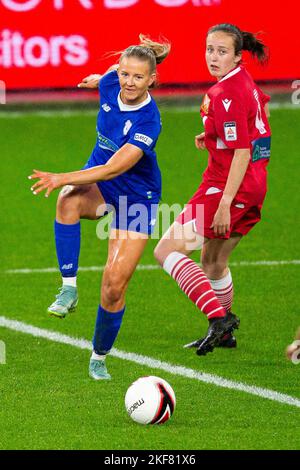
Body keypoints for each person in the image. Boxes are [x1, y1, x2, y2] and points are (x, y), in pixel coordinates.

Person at [28, 34, 171, 380]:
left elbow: (113, 168)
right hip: (104, 188)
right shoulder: (111, 81)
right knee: (68, 203)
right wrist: (97, 79)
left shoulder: (149, 122)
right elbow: (108, 76)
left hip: (135, 199)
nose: (129, 82)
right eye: (125, 74)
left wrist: (62, 176)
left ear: (152, 79)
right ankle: (69, 288)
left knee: (113, 284)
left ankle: (99, 355)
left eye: (139, 77)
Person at [154, 23, 271, 356]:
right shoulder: (242, 83)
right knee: (213, 261)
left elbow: (243, 150)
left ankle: (220, 319)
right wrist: (213, 137)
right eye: (210, 49)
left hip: (226, 187)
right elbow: (259, 128)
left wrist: (225, 204)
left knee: (166, 251)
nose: (213, 57)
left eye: (222, 51)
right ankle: (224, 335)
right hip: (253, 186)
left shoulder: (226, 93)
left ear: (237, 56)